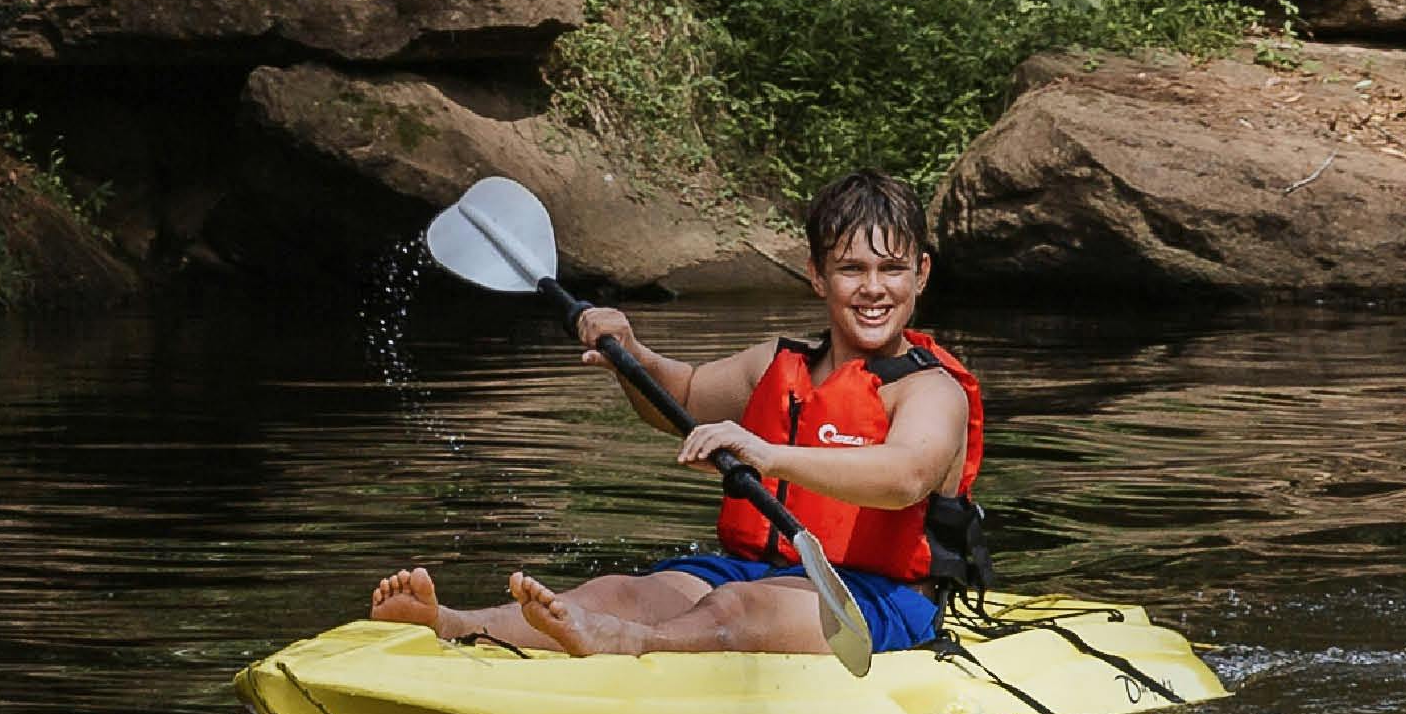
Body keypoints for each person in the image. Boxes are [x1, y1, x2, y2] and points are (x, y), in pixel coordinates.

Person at [369, 171, 984, 658]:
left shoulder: (930, 391)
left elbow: (905, 476)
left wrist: (768, 455)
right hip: (754, 568)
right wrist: (631, 356)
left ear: (920, 274)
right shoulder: (779, 362)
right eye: (851, 268)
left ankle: (631, 644)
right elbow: (682, 399)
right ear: (817, 276)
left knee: (737, 609)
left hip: (879, 596)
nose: (873, 288)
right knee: (620, 591)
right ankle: (453, 623)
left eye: (891, 269)